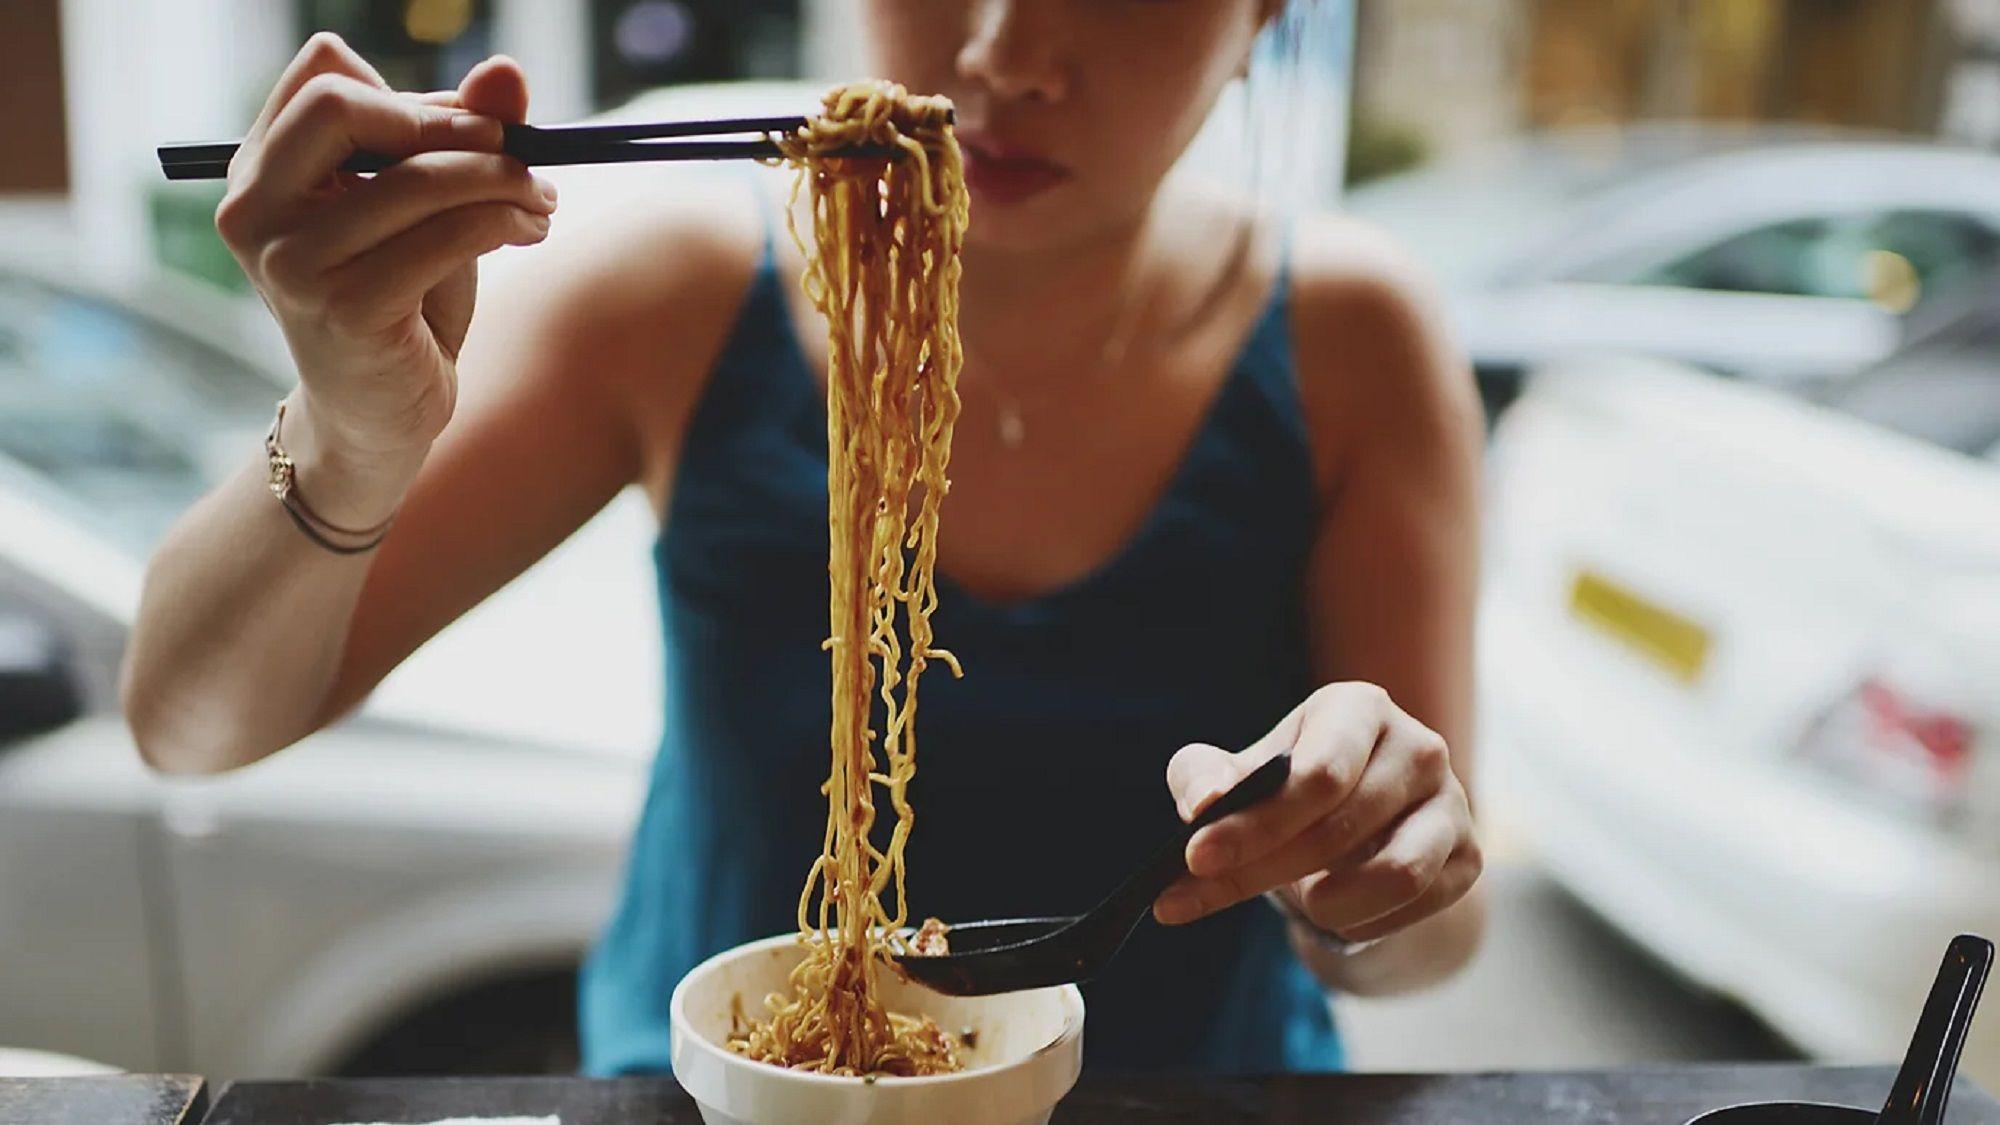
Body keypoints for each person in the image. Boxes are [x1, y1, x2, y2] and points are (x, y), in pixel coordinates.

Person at [123, 0, 1485, 1075]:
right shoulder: (672, 299)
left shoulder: (1357, 343)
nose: (1003, 53)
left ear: (1261, 17)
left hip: (1191, 1094)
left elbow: (1432, 940)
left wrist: (1346, 875)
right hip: (734, 1091)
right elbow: (194, 722)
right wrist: (351, 434)